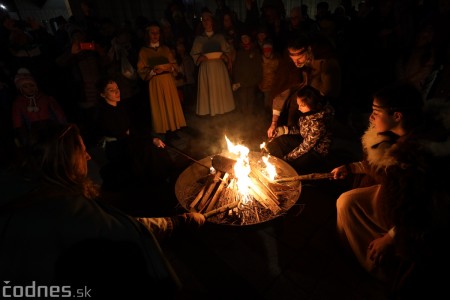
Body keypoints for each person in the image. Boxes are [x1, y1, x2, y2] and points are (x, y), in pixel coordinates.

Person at [0, 122, 205, 298]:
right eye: (82, 150)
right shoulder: (71, 213)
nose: (89, 156)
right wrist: (178, 222)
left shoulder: (28, 188)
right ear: (65, 160)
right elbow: (126, 231)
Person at [330, 82, 450, 296]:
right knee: (346, 202)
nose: (370, 117)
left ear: (397, 116)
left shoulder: (423, 157)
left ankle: (380, 270)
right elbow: (382, 165)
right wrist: (351, 168)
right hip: (394, 197)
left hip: (415, 221)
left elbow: (429, 210)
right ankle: (351, 253)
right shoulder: (394, 136)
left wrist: (392, 237)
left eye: (376, 112)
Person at [93, 77, 174, 192]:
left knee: (157, 145)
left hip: (128, 139)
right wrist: (144, 139)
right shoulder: (103, 113)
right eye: (111, 90)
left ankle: (167, 175)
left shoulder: (121, 106)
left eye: (117, 88)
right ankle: (155, 183)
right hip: (117, 146)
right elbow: (119, 134)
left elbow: (131, 129)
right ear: (102, 94)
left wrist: (148, 138)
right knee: (147, 150)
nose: (117, 92)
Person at [267, 34, 341, 140]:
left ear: (309, 50)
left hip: (317, 114)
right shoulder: (291, 64)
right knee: (293, 134)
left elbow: (329, 92)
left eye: (300, 58)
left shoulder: (325, 62)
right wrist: (274, 123)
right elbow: (282, 93)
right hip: (296, 109)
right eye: (293, 59)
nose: (296, 62)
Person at [266, 85, 334, 175]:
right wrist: (283, 130)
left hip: (316, 152)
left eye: (301, 105)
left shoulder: (318, 124)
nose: (298, 108)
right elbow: (301, 129)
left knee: (294, 166)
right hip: (305, 141)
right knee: (281, 140)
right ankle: (273, 161)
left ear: (311, 105)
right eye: (298, 105)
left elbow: (305, 147)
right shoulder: (308, 113)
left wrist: (287, 159)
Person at [137, 21, 187, 136]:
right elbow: (141, 70)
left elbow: (174, 65)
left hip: (168, 81)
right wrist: (153, 71)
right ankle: (163, 131)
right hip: (155, 82)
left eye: (157, 32)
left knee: (170, 104)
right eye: (152, 32)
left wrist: (171, 69)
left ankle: (173, 129)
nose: (155, 35)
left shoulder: (165, 49)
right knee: (159, 106)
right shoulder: (144, 51)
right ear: (148, 34)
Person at [190, 10, 235, 117]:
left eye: (208, 19)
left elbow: (228, 51)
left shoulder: (219, 37)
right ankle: (212, 114)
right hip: (206, 68)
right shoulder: (199, 39)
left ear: (212, 21)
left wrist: (225, 57)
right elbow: (194, 54)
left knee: (220, 89)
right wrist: (200, 58)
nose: (206, 22)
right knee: (209, 90)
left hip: (219, 68)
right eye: (203, 20)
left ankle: (222, 113)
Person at [11, 68, 67, 147]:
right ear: (21, 89)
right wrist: (24, 139)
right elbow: (18, 123)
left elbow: (59, 114)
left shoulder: (45, 98)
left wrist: (64, 128)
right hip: (34, 131)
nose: (30, 89)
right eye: (25, 87)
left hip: (50, 127)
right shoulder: (18, 103)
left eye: (31, 85)